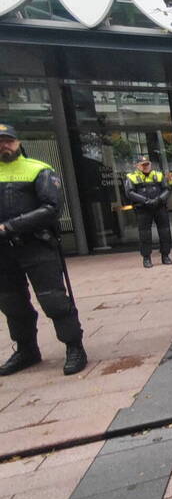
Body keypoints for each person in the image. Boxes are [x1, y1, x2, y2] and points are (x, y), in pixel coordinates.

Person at [0, 123, 88, 376]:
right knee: (11, 303)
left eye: (8, 141)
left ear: (18, 143)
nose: (4, 146)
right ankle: (26, 350)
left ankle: (74, 346)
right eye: (0, 142)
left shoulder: (39, 169)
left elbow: (51, 208)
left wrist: (9, 226)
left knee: (54, 299)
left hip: (36, 245)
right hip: (3, 252)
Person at [124, 154, 172, 268]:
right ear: (137, 165)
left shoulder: (159, 175)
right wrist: (145, 201)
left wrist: (159, 199)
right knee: (145, 234)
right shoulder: (131, 177)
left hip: (159, 207)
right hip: (143, 208)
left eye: (147, 164)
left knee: (165, 232)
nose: (145, 166)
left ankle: (165, 255)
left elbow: (167, 189)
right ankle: (146, 258)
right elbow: (129, 193)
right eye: (143, 165)